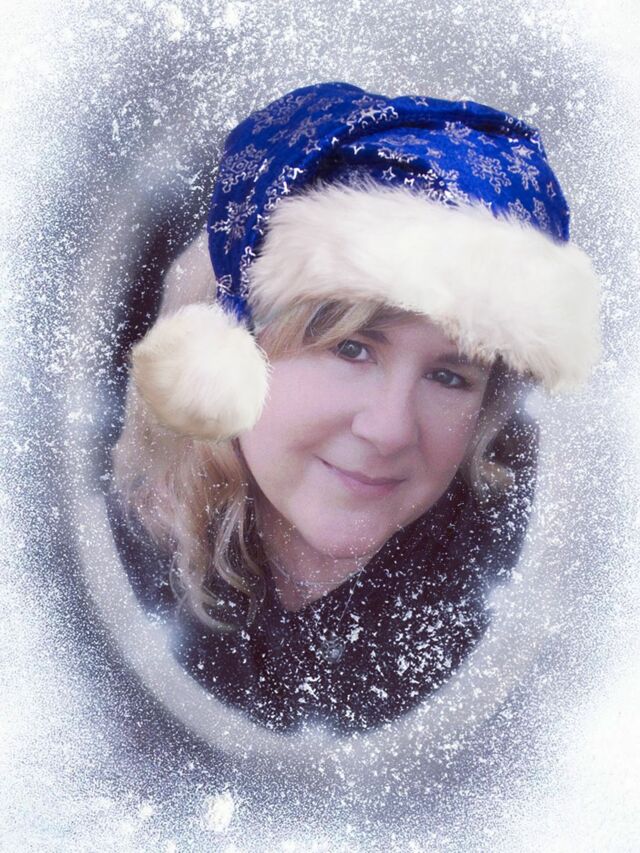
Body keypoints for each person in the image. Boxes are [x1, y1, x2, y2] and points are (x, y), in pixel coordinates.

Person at [108, 82, 601, 734]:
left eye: (450, 376)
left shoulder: (529, 622)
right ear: (235, 347)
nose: (390, 429)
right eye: (351, 348)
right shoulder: (113, 575)